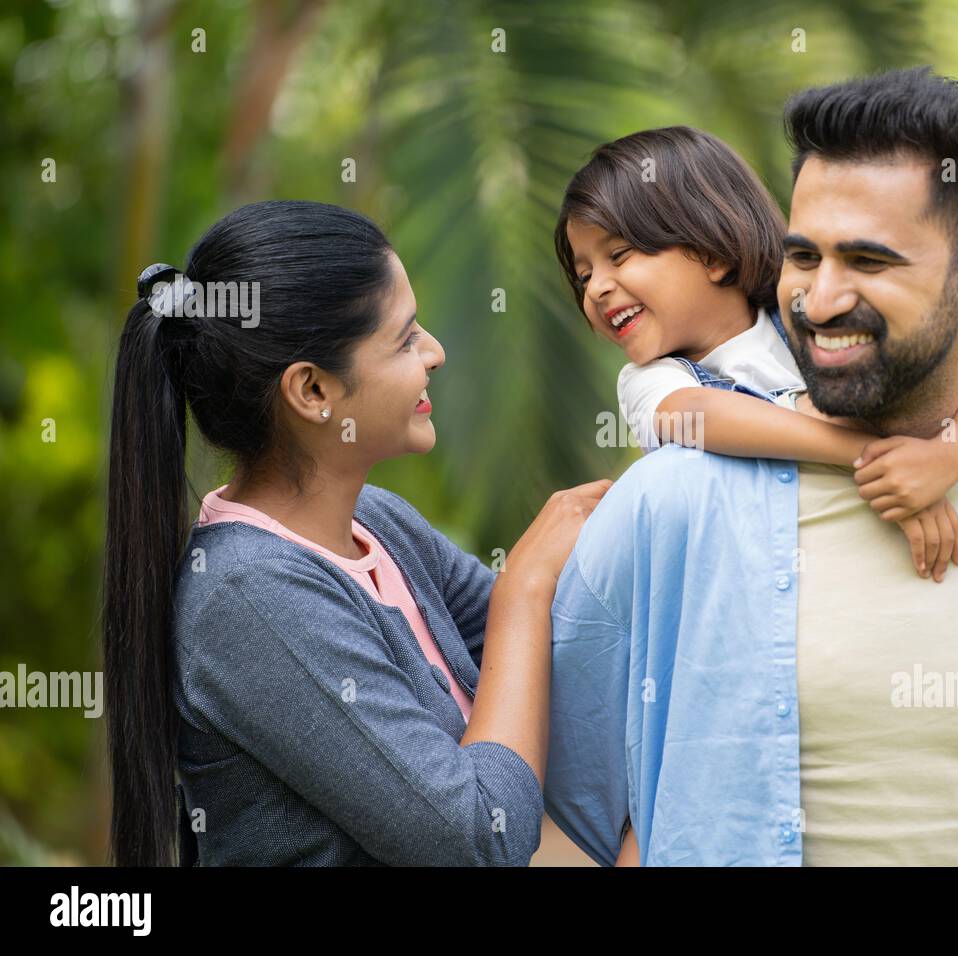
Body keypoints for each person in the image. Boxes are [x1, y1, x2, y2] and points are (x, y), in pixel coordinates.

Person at [544, 67, 958, 866]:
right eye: (804, 257)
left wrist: (946, 453)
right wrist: (870, 459)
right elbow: (577, 801)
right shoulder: (666, 495)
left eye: (870, 262)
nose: (821, 299)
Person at [101, 200, 608, 865]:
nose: (435, 352)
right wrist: (523, 587)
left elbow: (563, 659)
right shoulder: (248, 598)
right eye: (403, 339)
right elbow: (478, 838)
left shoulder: (378, 522)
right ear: (312, 391)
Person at [555, 125, 958, 582]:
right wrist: (873, 458)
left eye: (619, 256)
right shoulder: (652, 380)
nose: (596, 288)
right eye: (583, 275)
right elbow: (698, 414)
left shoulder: (809, 322)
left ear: (713, 255)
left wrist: (946, 457)